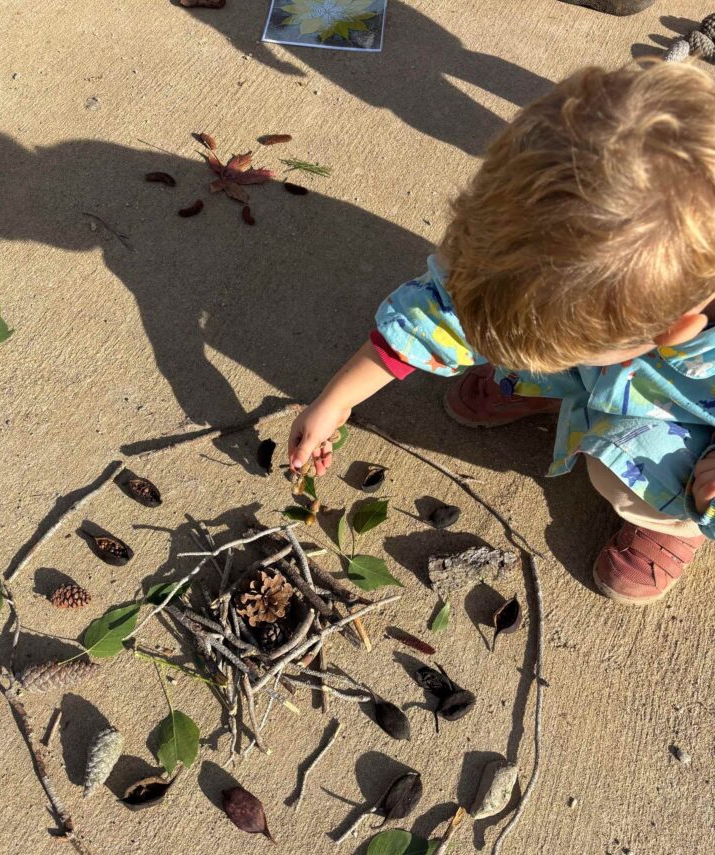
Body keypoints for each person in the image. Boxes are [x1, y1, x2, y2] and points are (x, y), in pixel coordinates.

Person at [288, 60, 715, 606]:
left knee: (628, 478)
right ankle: (553, 385)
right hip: (619, 353)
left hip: (687, 416)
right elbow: (438, 314)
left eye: (558, 353)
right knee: (513, 321)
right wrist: (337, 400)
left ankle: (669, 521)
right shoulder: (517, 247)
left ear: (677, 329)